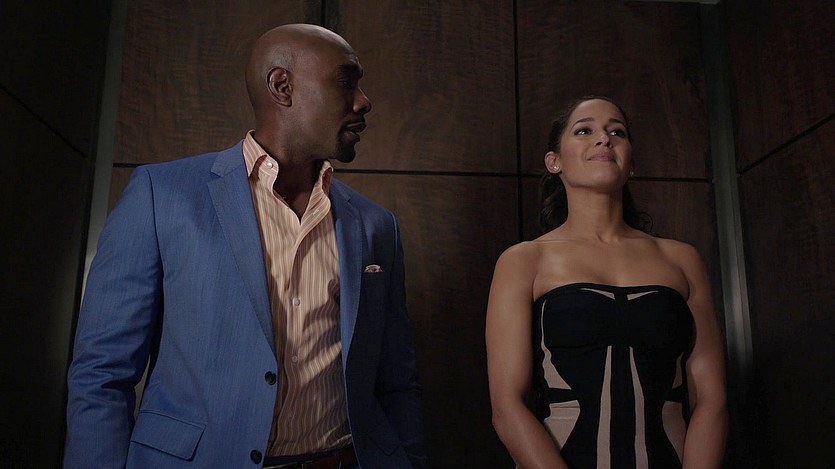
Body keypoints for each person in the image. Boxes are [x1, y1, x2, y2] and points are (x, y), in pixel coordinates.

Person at [65, 24, 425, 469]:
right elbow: (102, 373)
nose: (363, 101)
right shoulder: (161, 195)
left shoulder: (376, 226)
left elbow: (397, 381)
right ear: (282, 86)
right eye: (346, 82)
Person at [486, 96, 727, 468]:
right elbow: (507, 406)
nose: (604, 138)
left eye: (617, 132)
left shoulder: (681, 259)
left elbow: (711, 398)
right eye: (585, 131)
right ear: (554, 161)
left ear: (632, 163)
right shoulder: (524, 261)